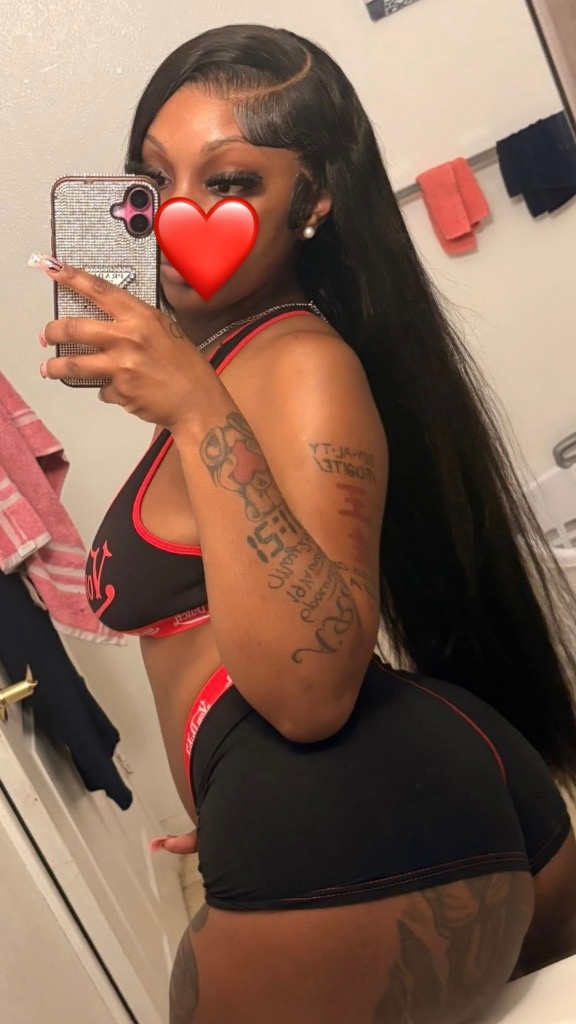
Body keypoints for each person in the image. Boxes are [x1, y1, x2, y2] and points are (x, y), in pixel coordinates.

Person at [35, 23, 576, 1024]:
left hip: (345, 821)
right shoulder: (236, 361)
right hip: (351, 805)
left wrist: (195, 408)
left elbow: (313, 691)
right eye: (156, 180)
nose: (181, 214)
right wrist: (240, 793)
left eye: (230, 182)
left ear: (315, 200)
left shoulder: (300, 366)